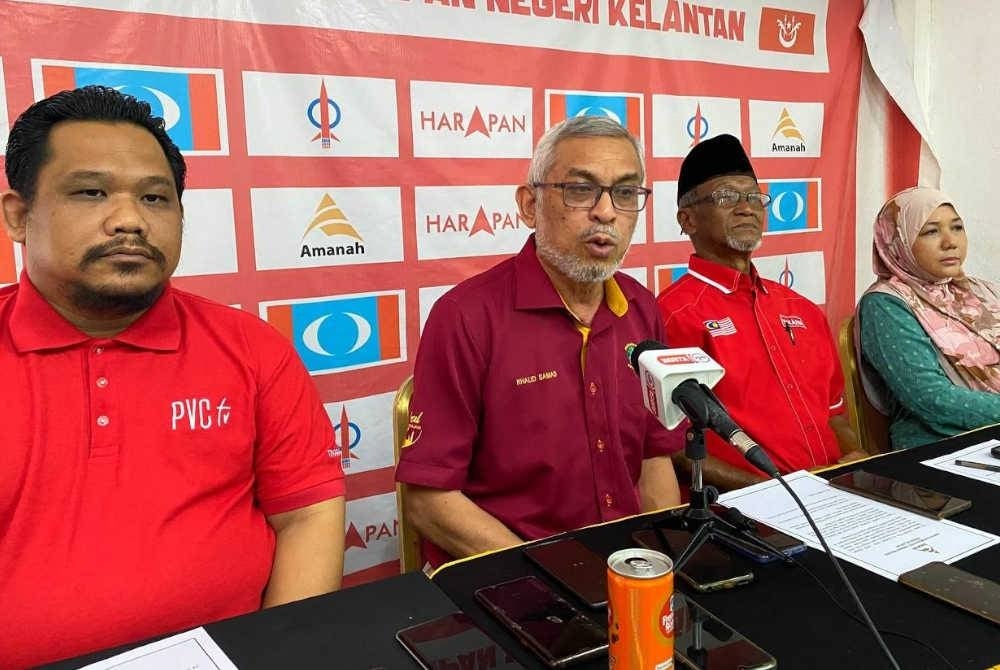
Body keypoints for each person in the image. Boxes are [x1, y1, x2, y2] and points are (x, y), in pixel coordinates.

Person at [0, 86, 346, 668]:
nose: (129, 220)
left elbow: (307, 513)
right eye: (91, 192)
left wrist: (279, 653)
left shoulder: (251, 348)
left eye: (156, 198)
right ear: (18, 215)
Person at [395, 116, 682, 566]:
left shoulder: (641, 307)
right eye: (581, 190)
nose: (606, 212)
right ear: (529, 205)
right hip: (510, 574)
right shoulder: (467, 317)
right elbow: (430, 502)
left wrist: (663, 568)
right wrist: (556, 577)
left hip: (629, 574)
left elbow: (654, 459)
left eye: (625, 193)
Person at [656, 134, 864, 491]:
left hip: (838, 496)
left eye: (754, 197)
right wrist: (771, 491)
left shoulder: (800, 308)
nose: (746, 208)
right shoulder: (672, 315)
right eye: (726, 197)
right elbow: (672, 448)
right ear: (687, 220)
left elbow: (834, 414)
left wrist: (858, 457)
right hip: (751, 512)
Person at [857, 187, 1000, 450]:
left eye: (957, 228)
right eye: (931, 231)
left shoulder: (980, 291)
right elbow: (932, 399)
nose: (950, 242)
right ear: (897, 242)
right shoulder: (885, 305)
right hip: (942, 447)